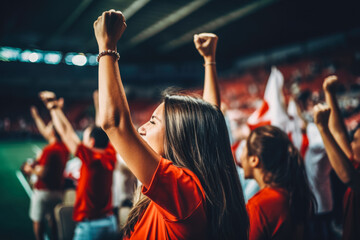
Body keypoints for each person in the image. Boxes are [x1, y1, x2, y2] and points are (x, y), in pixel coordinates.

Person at [94, 10, 249, 240]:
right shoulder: (194, 192)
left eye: (153, 121)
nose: (141, 128)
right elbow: (210, 122)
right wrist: (209, 61)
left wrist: (107, 47)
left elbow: (115, 123)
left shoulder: (184, 191)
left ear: (180, 138)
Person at [39, 92, 118, 240]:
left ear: (92, 143)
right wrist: (98, 102)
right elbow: (102, 129)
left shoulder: (91, 158)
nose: (82, 141)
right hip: (110, 222)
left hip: (91, 227)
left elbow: (66, 132)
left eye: (85, 138)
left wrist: (54, 108)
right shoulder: (110, 154)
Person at [241, 125, 315, 240]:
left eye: (243, 149)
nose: (240, 157)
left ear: (254, 160)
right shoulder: (291, 193)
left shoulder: (259, 206)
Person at [313, 75, 360, 240]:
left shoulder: (354, 173)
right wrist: (329, 93)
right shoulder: (356, 163)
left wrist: (322, 129)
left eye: (355, 140)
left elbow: (348, 177)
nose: (351, 143)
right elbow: (339, 132)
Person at [24, 106, 69, 240]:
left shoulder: (49, 150)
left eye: (49, 127)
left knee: (37, 219)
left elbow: (42, 173)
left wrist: (30, 169)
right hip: (58, 191)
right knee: (53, 219)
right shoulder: (65, 147)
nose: (46, 129)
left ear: (53, 132)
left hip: (43, 191)